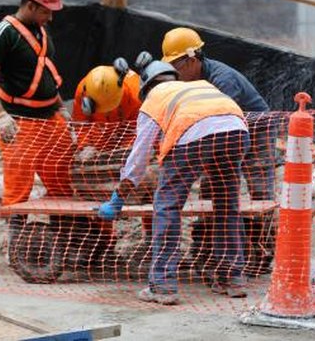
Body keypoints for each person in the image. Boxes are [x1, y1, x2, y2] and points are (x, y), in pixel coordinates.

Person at [96, 58, 250, 305]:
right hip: (236, 131)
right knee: (227, 207)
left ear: (146, 88)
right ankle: (232, 278)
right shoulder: (199, 85)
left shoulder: (154, 100)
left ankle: (162, 285)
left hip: (193, 135)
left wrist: (118, 198)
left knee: (167, 207)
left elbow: (139, 156)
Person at [0, 0, 75, 260]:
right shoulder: (5, 31)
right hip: (20, 122)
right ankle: (18, 250)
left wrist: (60, 107)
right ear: (31, 5)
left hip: (49, 117)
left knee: (61, 181)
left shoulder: (41, 31)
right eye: (47, 10)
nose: (51, 17)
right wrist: (0, 116)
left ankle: (68, 245)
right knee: (18, 186)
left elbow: (42, 73)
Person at [157, 27, 274, 201]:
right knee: (213, 183)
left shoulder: (223, 80)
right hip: (227, 130)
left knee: (259, 182)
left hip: (257, 128)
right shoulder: (189, 80)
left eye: (176, 66)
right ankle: (207, 225)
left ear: (192, 60)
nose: (175, 73)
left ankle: (261, 227)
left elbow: (217, 120)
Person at [71, 57, 142, 150]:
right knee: (97, 141)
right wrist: (85, 145)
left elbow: (135, 129)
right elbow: (81, 124)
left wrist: (126, 149)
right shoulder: (83, 90)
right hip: (99, 129)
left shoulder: (136, 93)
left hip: (126, 124)